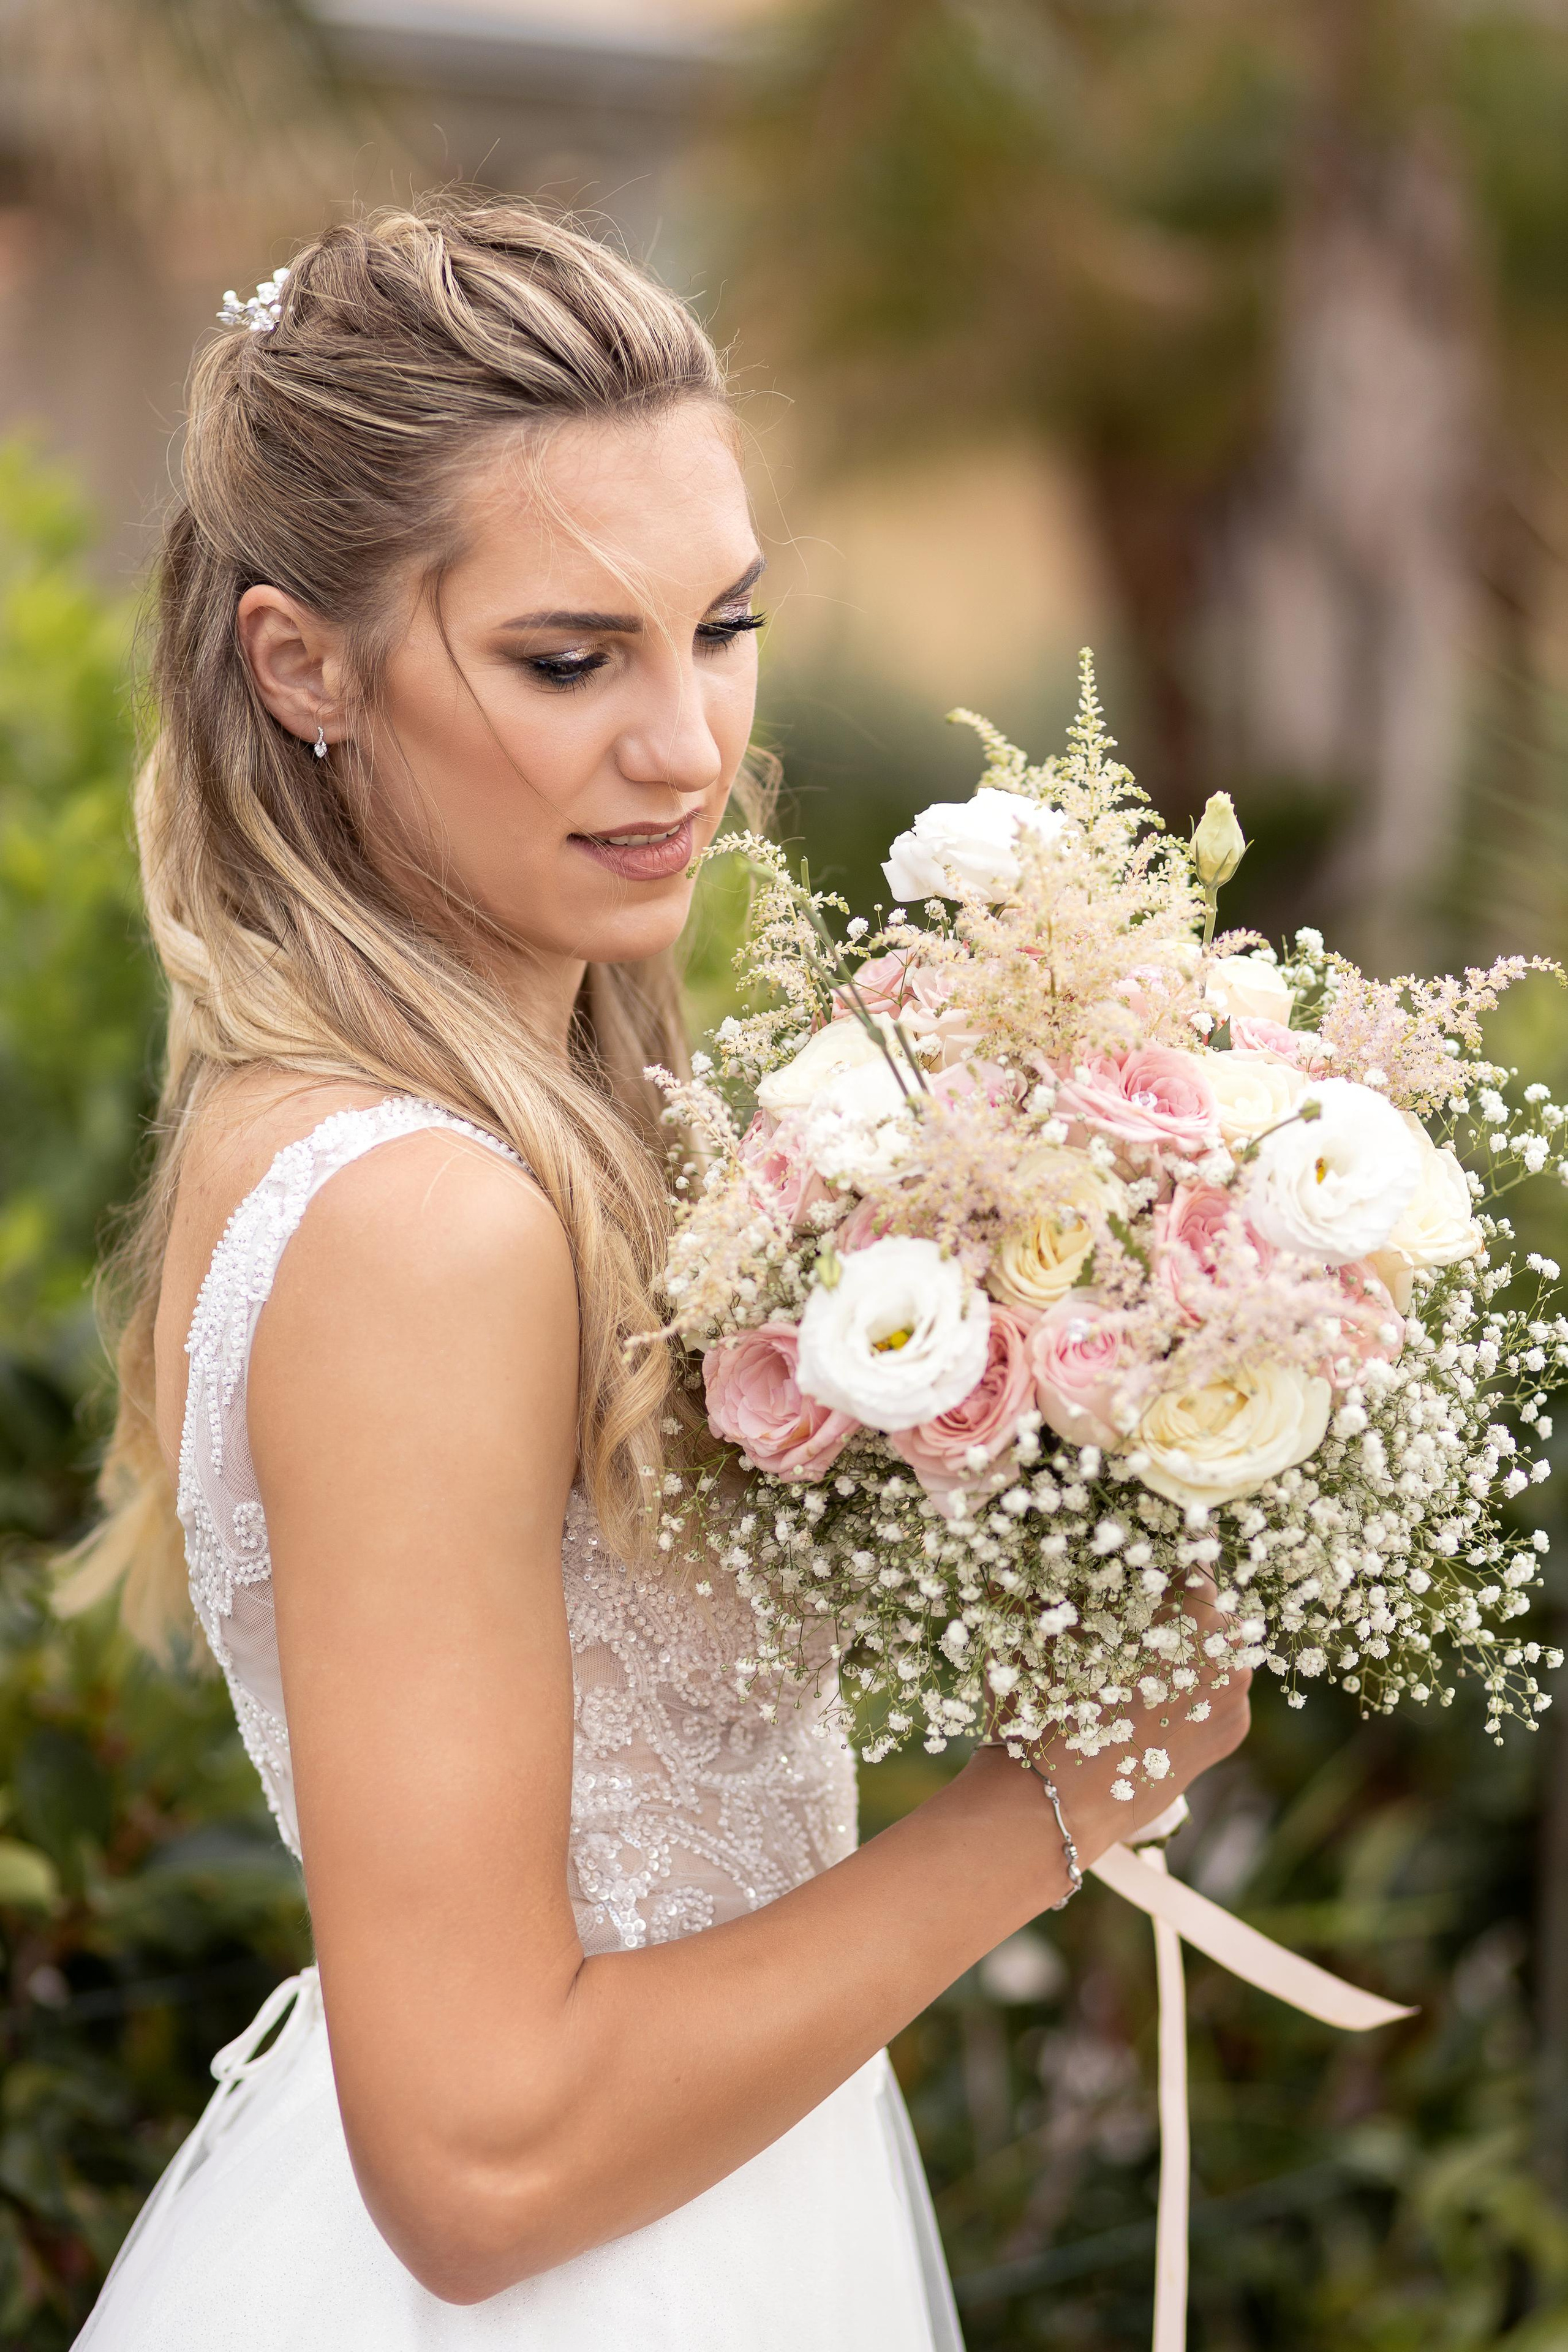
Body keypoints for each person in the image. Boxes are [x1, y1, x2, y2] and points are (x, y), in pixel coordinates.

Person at [69, 197, 1250, 2350]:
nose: (689, 745)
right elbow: (480, 2159)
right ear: (298, 664)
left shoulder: (471, 1122)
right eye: (566, 658)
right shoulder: (424, 1218)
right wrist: (1062, 1798)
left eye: (722, 626)